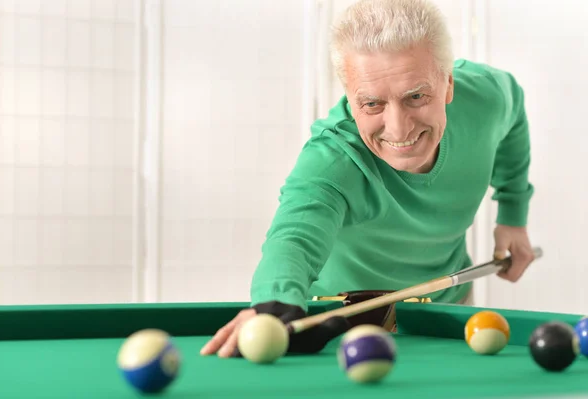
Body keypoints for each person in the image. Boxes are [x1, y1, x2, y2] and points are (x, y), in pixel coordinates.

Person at [201, 0, 537, 358]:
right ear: (349, 97)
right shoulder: (332, 159)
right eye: (372, 104)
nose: (399, 128)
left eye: (416, 96)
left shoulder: (483, 97)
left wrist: (513, 216)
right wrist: (275, 305)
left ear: (449, 84)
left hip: (447, 312)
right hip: (341, 328)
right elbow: (293, 238)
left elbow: (513, 108)